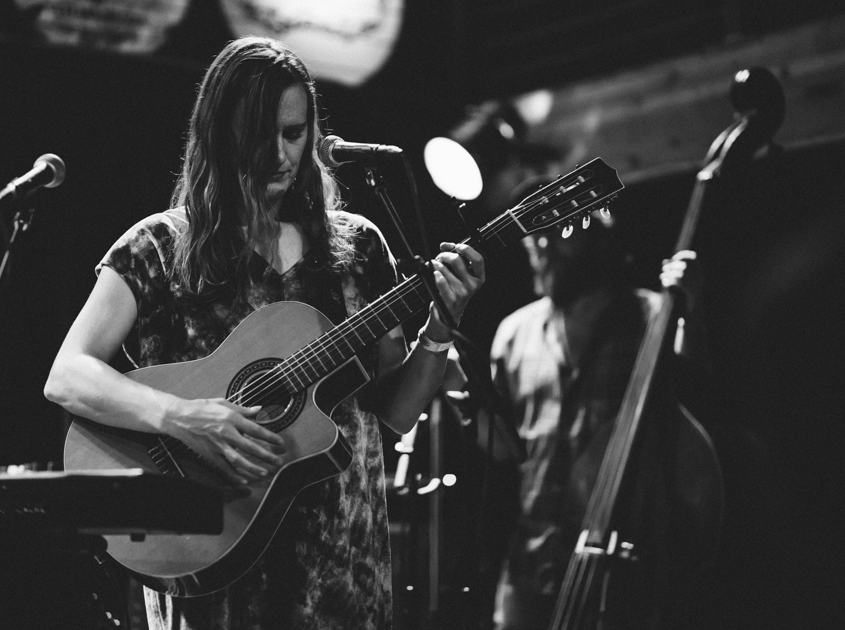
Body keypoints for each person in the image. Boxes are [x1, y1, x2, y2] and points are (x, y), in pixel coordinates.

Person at [43, 36, 484, 630]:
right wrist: (183, 417)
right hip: (209, 569)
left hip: (341, 576)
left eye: (294, 133)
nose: (280, 154)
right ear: (217, 133)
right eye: (259, 134)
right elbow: (67, 375)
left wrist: (441, 327)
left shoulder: (356, 249)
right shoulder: (158, 246)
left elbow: (393, 414)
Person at [487, 198, 708, 630]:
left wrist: (691, 313)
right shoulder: (513, 334)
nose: (542, 246)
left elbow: (699, 400)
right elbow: (504, 451)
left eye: (558, 234)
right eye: (535, 237)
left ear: (600, 240)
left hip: (619, 571)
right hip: (530, 562)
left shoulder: (652, 317)